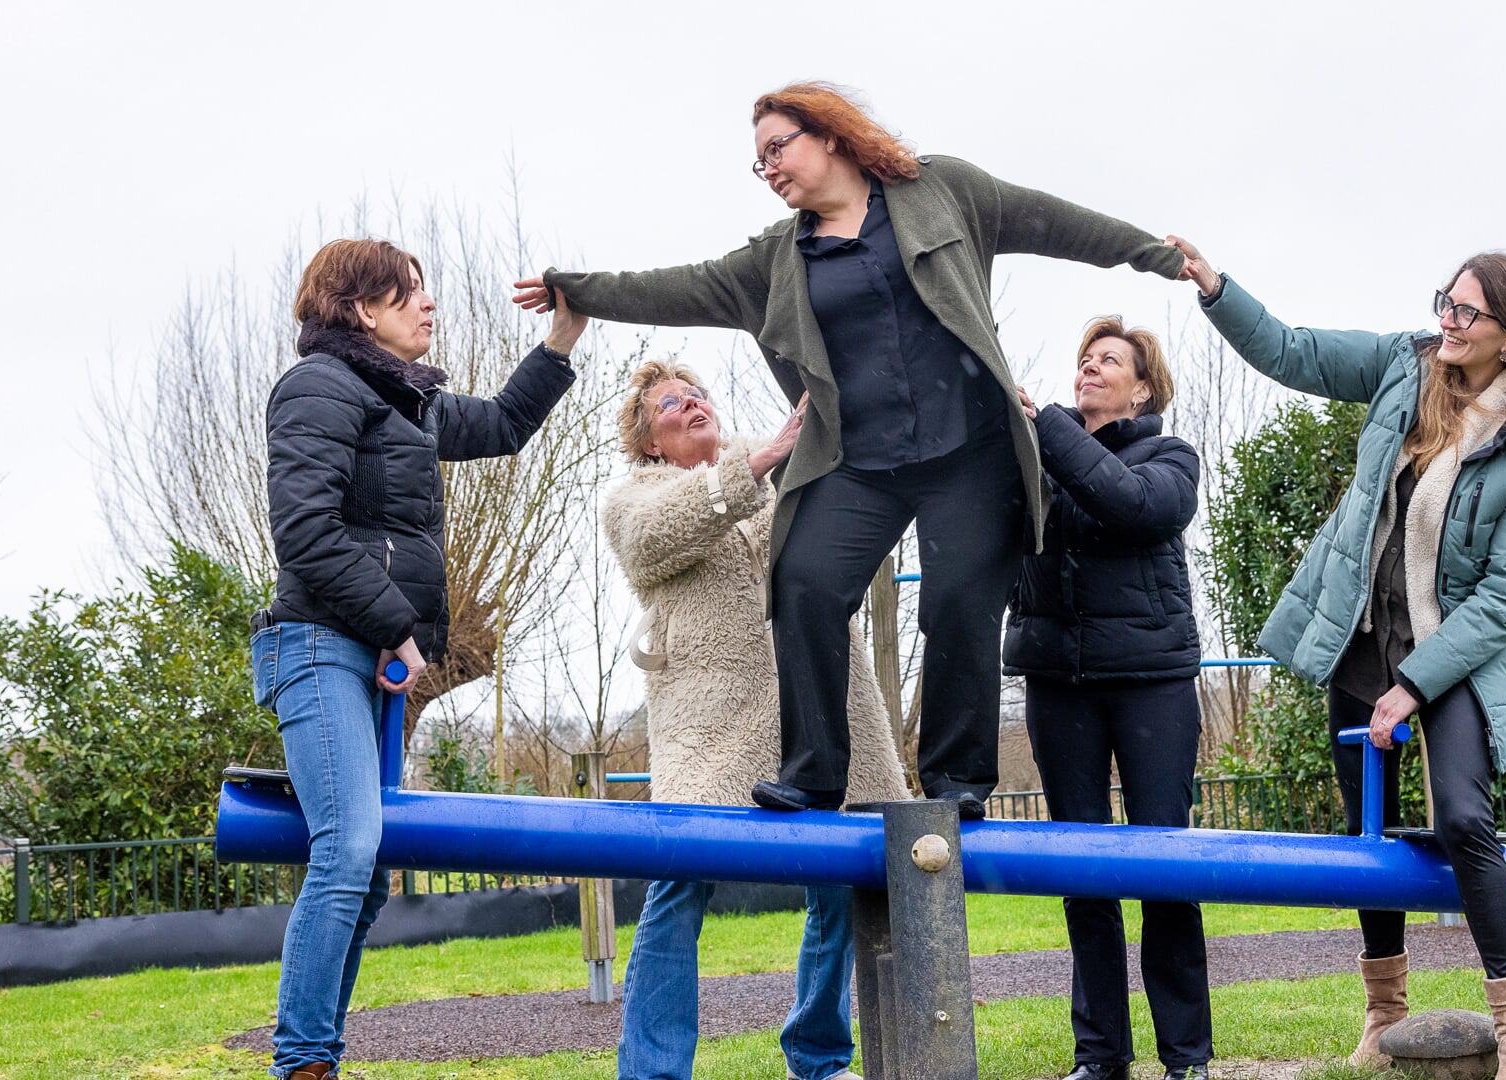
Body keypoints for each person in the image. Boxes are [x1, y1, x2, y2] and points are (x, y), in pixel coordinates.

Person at [514, 81, 1194, 818]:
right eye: (759, 162)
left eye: (778, 148)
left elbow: (1052, 219)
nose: (769, 168)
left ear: (830, 136)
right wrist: (570, 287)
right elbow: (671, 287)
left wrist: (1150, 254)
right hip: (856, 462)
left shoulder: (941, 192)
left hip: (969, 452)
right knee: (803, 581)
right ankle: (812, 773)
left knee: (959, 600)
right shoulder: (773, 260)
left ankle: (955, 780)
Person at [1177, 238, 1506, 1080]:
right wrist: (1216, 288)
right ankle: (1382, 1013)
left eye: (1467, 312)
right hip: (1362, 643)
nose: (1447, 321)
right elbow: (1291, 351)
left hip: (1452, 655)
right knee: (1367, 833)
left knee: (1464, 821)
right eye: (1445, 301)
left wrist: (1415, 686)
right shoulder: (1405, 366)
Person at [254, 239, 581, 1080]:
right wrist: (399, 626)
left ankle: (315, 1055)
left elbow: (506, 425)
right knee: (350, 846)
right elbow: (306, 533)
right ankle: (300, 1063)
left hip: (368, 655)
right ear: (362, 311)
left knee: (365, 877)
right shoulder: (317, 387)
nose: (428, 308)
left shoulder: (410, 404)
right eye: (409, 296)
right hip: (320, 643)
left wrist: (561, 342)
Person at [602, 359, 910, 1080]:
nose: (692, 405)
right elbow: (657, 537)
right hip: (712, 728)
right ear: (649, 441)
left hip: (823, 712)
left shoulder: (778, 482)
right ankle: (652, 1071)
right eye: (671, 404)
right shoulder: (632, 499)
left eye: (698, 394)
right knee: (679, 882)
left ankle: (820, 1053)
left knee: (841, 882)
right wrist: (761, 457)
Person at [1004, 318, 1211, 1080]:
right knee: (1082, 873)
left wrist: (1047, 428)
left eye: (1109, 361)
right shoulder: (1040, 457)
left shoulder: (1169, 456)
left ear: (1142, 388)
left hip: (1152, 680)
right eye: (1084, 359)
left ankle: (1185, 1055)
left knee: (1164, 865)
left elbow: (1127, 502)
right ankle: (1100, 1055)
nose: (1090, 368)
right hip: (1059, 684)